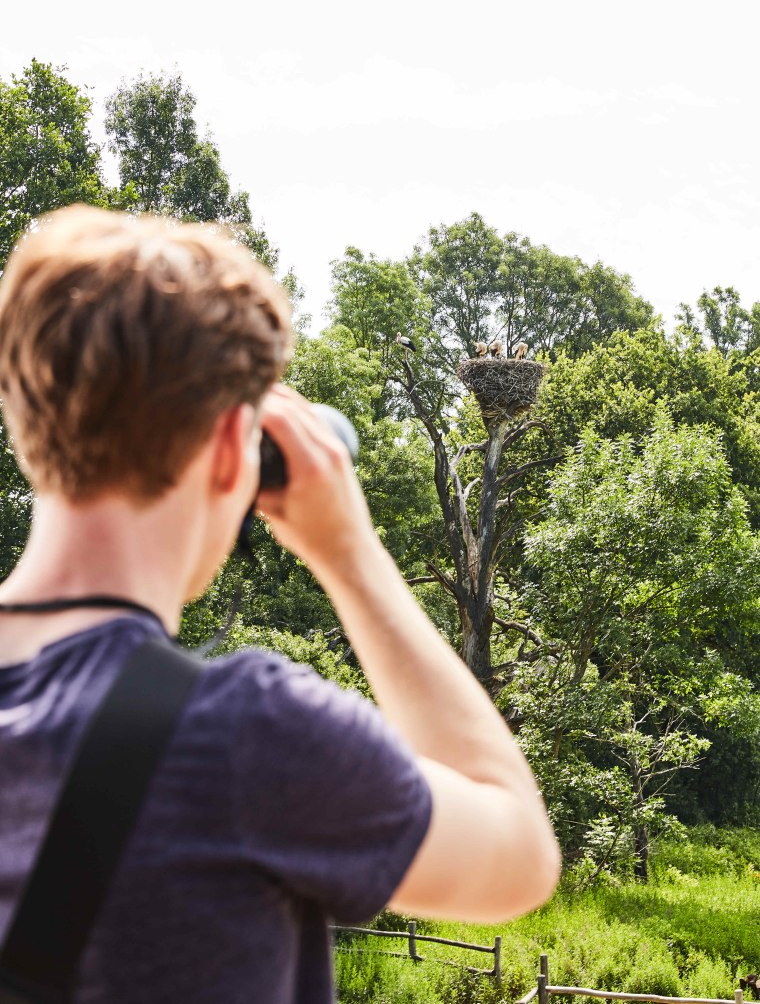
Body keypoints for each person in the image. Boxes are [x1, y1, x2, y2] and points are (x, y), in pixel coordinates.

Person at [0, 206, 560, 1003]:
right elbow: (520, 857)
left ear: (26, 425)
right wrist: (351, 555)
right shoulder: (245, 733)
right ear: (235, 447)